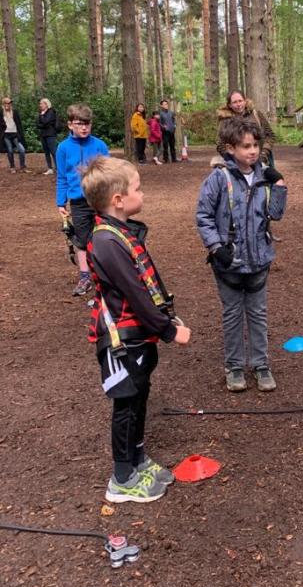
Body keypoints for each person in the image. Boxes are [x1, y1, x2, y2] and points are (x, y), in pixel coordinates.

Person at [81, 156, 191, 503]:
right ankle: (122, 478)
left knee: (140, 397)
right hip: (122, 341)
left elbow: (148, 285)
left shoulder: (122, 232)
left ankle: (138, 459)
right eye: (138, 188)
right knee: (126, 404)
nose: (142, 194)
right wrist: (169, 331)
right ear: (118, 199)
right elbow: (135, 293)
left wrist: (165, 317)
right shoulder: (106, 241)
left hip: (140, 337)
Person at [196, 117, 287, 392]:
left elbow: (276, 214)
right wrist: (216, 247)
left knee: (258, 314)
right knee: (233, 314)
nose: (253, 151)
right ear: (230, 148)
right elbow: (203, 216)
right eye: (246, 146)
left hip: (259, 260)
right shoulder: (218, 178)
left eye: (256, 145)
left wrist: (279, 185)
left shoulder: (264, 177)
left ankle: (261, 364)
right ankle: (234, 366)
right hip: (229, 262)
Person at [56, 103, 110, 296]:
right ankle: (85, 277)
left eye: (87, 123)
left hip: (99, 200)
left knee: (105, 237)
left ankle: (108, 274)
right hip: (78, 202)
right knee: (81, 239)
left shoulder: (100, 145)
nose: (84, 127)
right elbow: (61, 177)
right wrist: (60, 202)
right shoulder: (63, 148)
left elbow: (109, 173)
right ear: (70, 124)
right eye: (80, 123)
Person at [217, 90, 275, 165]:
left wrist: (264, 153)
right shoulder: (225, 120)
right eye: (234, 102)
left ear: (245, 101)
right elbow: (220, 144)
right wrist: (234, 160)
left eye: (240, 101)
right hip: (237, 163)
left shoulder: (256, 114)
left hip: (261, 159)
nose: (238, 104)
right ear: (230, 105)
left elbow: (269, 135)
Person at [1, 96, 28, 173]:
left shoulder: (15, 112)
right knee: (10, 151)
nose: (8, 104)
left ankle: (22, 167)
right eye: (7, 103)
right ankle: (12, 167)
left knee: (22, 150)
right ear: (4, 104)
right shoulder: (1, 113)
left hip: (15, 134)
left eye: (9, 103)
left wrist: (20, 134)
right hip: (6, 135)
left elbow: (19, 124)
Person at [37, 98, 60, 175]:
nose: (40, 105)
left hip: (50, 134)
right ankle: (50, 168)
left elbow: (46, 122)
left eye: (41, 103)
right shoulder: (41, 113)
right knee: (46, 152)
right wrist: (43, 123)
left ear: (46, 104)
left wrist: (42, 120)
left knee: (53, 151)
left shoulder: (51, 112)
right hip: (43, 134)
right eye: (40, 104)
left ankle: (58, 168)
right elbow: (37, 124)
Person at [159, 98, 177, 163]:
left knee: (173, 146)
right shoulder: (160, 114)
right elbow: (159, 123)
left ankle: (174, 159)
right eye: (164, 104)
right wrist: (163, 127)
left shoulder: (171, 112)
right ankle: (166, 159)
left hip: (172, 131)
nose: (166, 105)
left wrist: (174, 125)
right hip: (165, 132)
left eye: (166, 104)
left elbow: (174, 120)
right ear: (161, 106)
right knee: (165, 146)